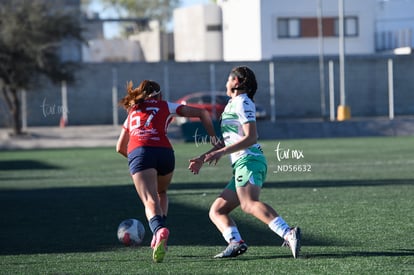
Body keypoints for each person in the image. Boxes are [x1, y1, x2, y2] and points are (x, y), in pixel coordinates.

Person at [188, 66, 301, 259]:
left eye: (228, 79)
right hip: (243, 163)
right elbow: (230, 140)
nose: (225, 83)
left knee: (248, 204)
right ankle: (235, 242)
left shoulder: (243, 102)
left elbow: (251, 137)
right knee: (217, 210)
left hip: (249, 160)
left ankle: (288, 232)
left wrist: (222, 153)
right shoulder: (231, 104)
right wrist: (203, 157)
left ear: (236, 82)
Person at [116, 80, 217, 263]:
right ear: (160, 95)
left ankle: (159, 230)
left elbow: (120, 147)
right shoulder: (166, 105)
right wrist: (213, 138)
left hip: (141, 152)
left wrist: (137, 162)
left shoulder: (132, 111)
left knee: (149, 199)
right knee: (161, 192)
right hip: (166, 154)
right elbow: (202, 113)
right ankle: (159, 233)